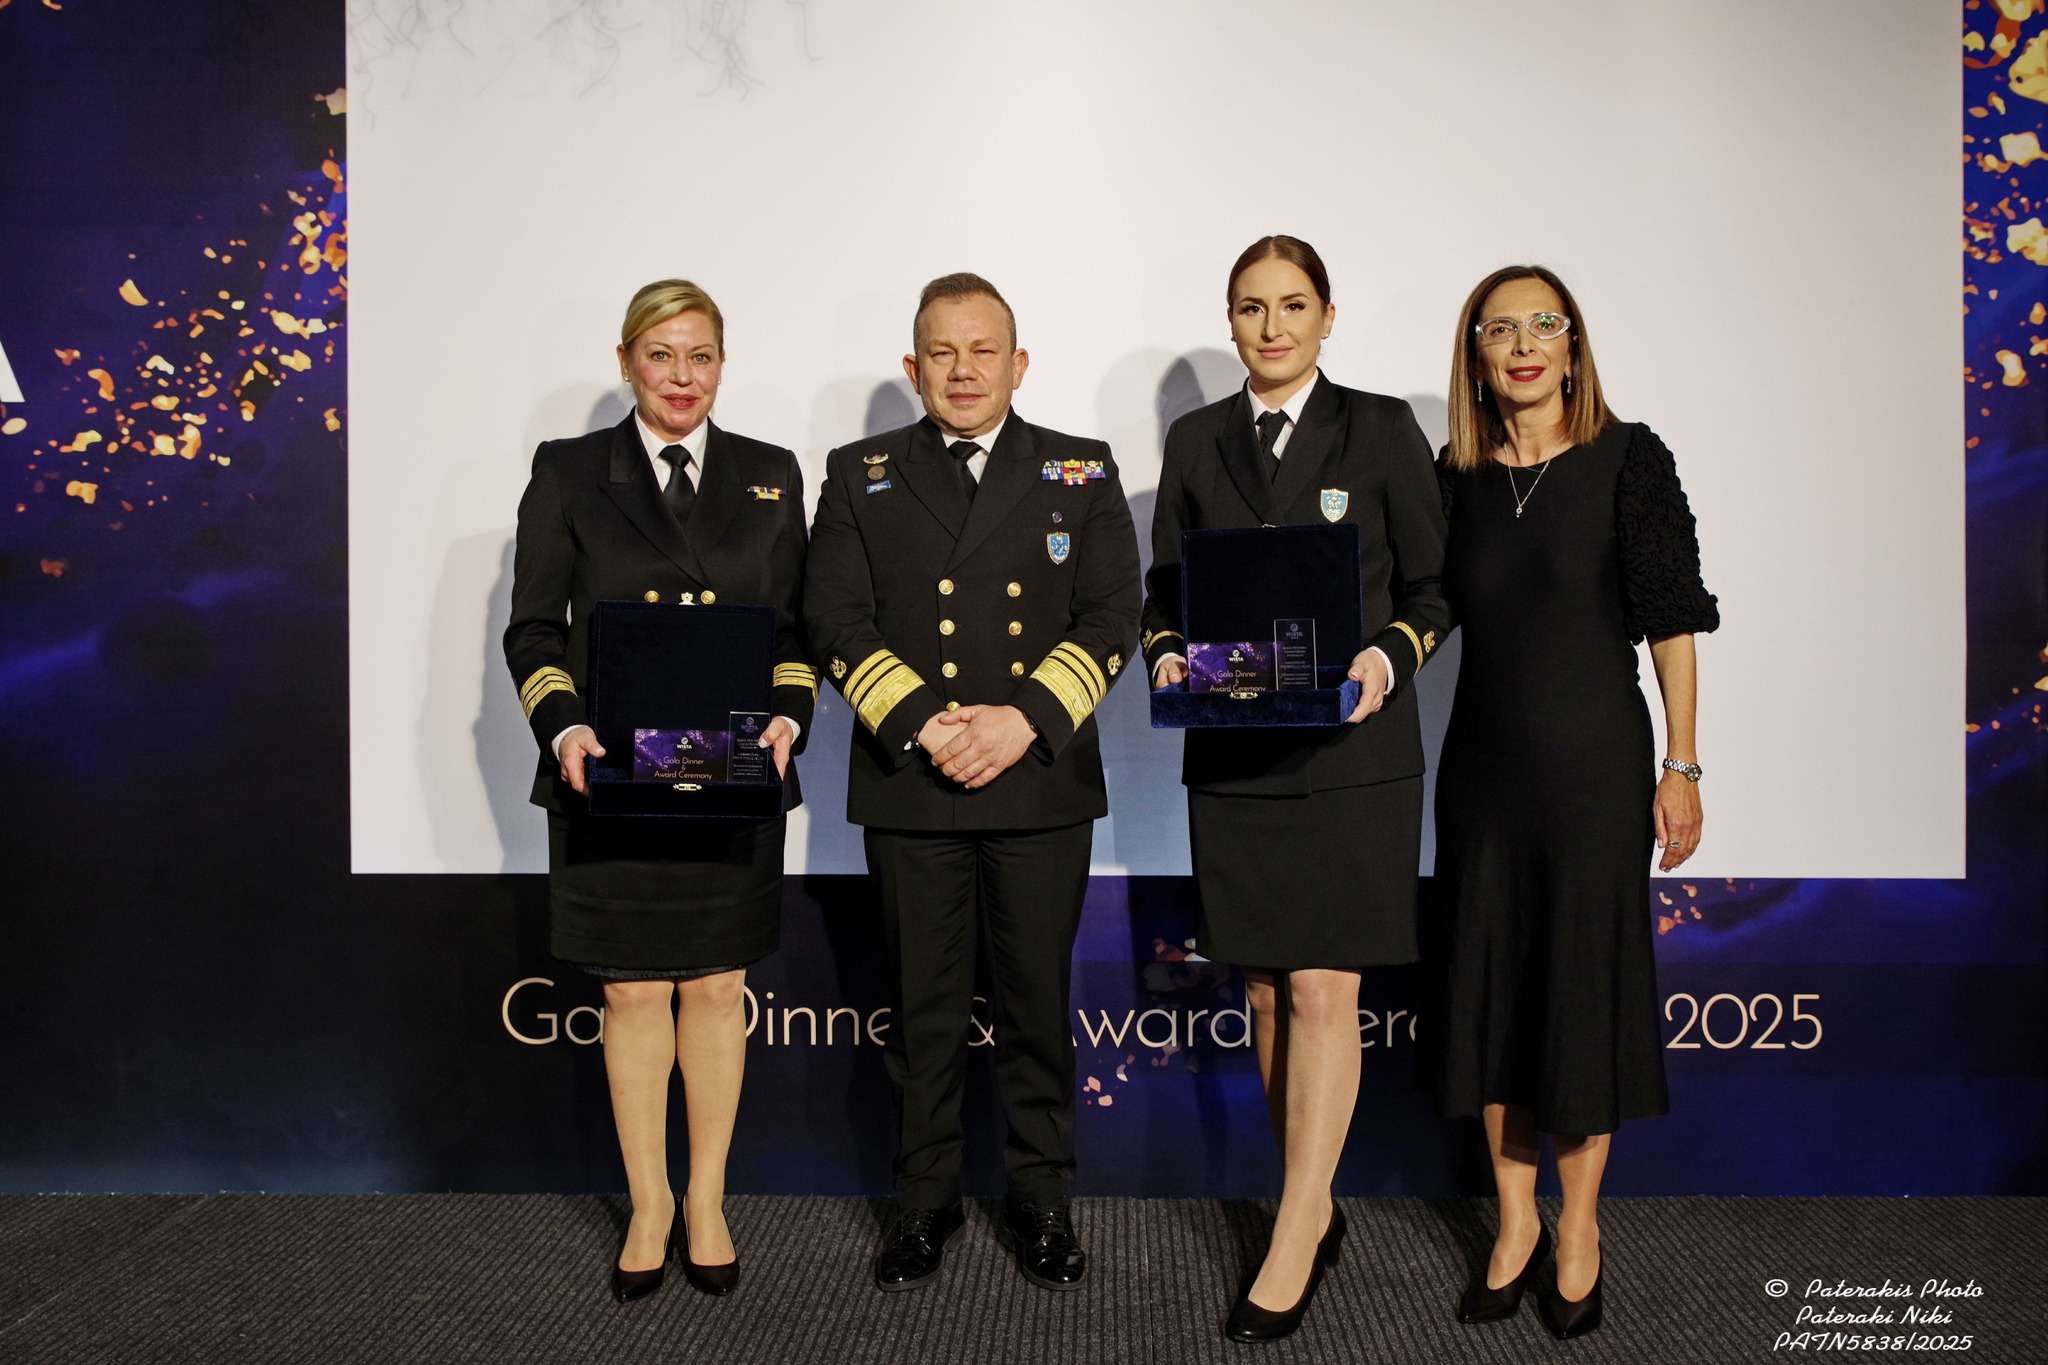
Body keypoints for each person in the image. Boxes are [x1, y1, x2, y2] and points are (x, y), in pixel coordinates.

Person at [1140, 235, 1451, 1344]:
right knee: (1268, 995)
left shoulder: (1380, 428)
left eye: (1291, 305)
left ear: (1327, 315)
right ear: (1229, 321)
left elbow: (1431, 587)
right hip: (1236, 755)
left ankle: (1295, 1227)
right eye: (1250, 307)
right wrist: (1166, 655)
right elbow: (1165, 592)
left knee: (1322, 991)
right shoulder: (1194, 439)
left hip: (1351, 754)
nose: (1270, 327)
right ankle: (1308, 1202)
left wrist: (1388, 656)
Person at [804, 272, 1141, 1295]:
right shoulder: (857, 472)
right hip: (915, 781)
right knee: (922, 1013)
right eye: (942, 353)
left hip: (1035, 777)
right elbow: (833, 618)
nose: (963, 370)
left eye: (982, 349)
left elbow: (1113, 615)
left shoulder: (1080, 469)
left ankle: (1041, 1198)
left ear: (1018, 363)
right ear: (913, 368)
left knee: (1037, 1007)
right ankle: (925, 1200)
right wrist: (924, 723)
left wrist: (1021, 718)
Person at [504, 278, 817, 1303]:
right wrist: (563, 723)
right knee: (633, 991)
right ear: (626, 360)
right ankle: (648, 1204)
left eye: (701, 356)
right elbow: (533, 629)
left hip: (730, 776)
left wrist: (789, 717)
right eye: (661, 355)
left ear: (721, 364)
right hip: (612, 777)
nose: (682, 377)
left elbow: (794, 634)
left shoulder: (770, 475)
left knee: (718, 988)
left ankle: (707, 1199)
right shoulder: (567, 471)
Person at [1426, 264, 1718, 1340]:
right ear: (1475, 354)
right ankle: (1513, 1225)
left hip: (1596, 775)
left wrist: (1682, 766)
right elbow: (1408, 604)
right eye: (1498, 328)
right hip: (1480, 779)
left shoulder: (1628, 459)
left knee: (1579, 1002)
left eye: (1542, 324)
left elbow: (1671, 621)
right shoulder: (1451, 475)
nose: (1521, 345)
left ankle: (1579, 1228)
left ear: (1572, 345)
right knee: (1494, 996)